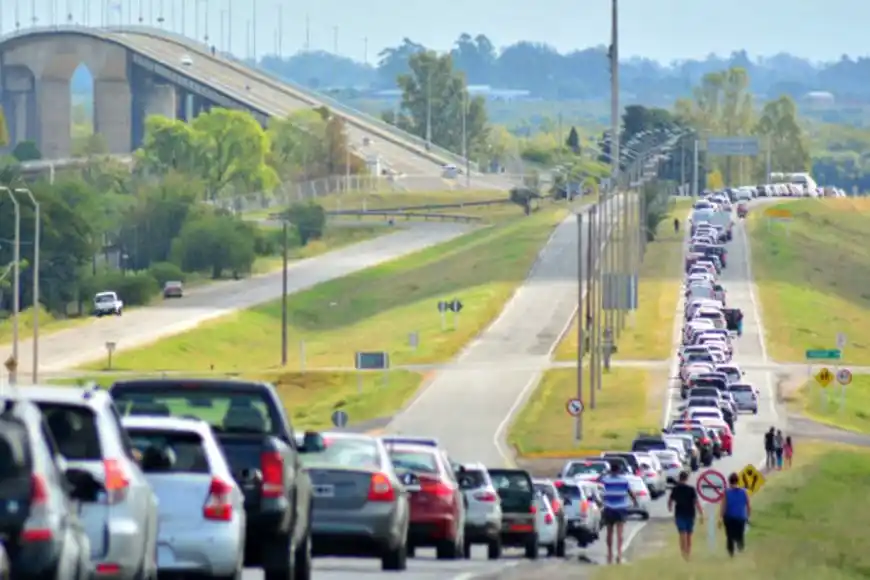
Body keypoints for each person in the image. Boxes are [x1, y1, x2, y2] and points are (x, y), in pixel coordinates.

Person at [599, 462, 638, 564]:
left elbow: (599, 490)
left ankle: (609, 553)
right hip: (621, 508)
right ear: (619, 470)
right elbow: (630, 492)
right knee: (620, 533)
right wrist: (635, 501)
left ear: (611, 470)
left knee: (609, 532)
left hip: (608, 508)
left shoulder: (605, 480)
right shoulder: (624, 480)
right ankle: (619, 554)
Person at [668, 471, 704, 560]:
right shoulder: (691, 489)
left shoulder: (675, 489)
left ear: (679, 478)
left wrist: (670, 508)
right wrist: (701, 513)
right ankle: (688, 553)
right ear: (687, 479)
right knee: (689, 535)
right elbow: (696, 502)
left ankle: (683, 553)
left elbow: (670, 500)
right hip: (690, 514)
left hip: (679, 514)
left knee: (682, 534)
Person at [720, 473, 751, 556]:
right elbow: (748, 506)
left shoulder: (726, 492)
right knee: (740, 535)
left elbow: (724, 506)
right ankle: (740, 548)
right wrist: (748, 517)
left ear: (729, 482)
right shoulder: (744, 492)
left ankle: (731, 552)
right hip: (741, 517)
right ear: (737, 481)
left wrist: (720, 517)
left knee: (730, 536)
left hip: (729, 518)